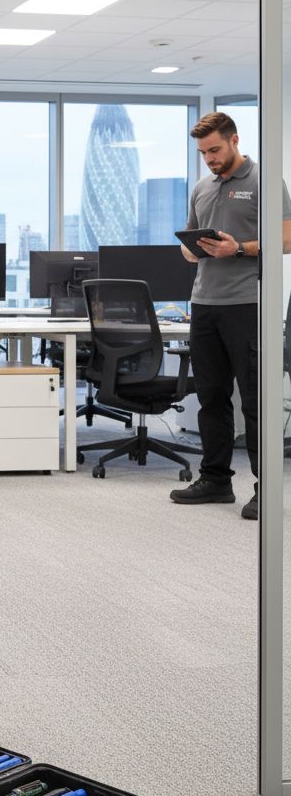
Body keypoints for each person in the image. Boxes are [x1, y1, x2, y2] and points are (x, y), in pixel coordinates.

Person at [170, 112, 291, 520]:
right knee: (211, 397)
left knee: (254, 401)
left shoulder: (263, 181)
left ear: (235, 140)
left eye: (215, 150)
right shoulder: (202, 188)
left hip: (247, 304)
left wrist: (239, 248)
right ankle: (216, 479)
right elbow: (188, 244)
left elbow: (288, 237)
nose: (209, 159)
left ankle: (265, 488)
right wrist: (192, 248)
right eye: (203, 153)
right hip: (204, 304)